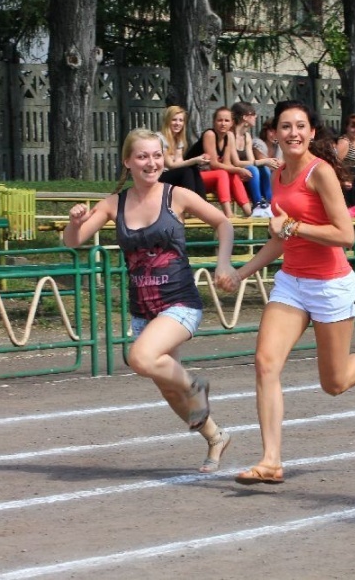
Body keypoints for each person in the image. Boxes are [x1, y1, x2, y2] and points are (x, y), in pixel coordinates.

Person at [221, 100, 355, 484]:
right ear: (274, 133)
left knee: (335, 383)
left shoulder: (321, 172)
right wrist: (242, 272)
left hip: (329, 285)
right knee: (265, 363)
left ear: (311, 132)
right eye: (284, 126)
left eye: (300, 126)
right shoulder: (278, 176)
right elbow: (278, 239)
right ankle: (271, 460)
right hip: (292, 283)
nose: (292, 133)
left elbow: (343, 235)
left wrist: (294, 227)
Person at [63, 128, 240, 474]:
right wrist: (74, 223)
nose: (151, 162)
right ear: (127, 161)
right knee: (171, 392)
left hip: (180, 303)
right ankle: (216, 436)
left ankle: (196, 384)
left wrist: (223, 261)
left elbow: (223, 223)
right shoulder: (114, 204)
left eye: (157, 155)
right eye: (142, 156)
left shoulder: (177, 196)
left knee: (141, 358)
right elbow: (75, 241)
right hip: (143, 309)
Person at [184, 106, 254, 218]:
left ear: (232, 123)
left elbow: (226, 164)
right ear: (213, 122)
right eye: (219, 120)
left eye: (227, 120)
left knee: (231, 173)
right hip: (193, 178)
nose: (223, 123)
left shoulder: (229, 136)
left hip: (209, 176)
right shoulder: (210, 134)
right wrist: (239, 169)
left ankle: (248, 211)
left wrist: (236, 171)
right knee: (222, 173)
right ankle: (228, 213)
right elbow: (214, 164)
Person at [231, 101, 279, 212]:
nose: (255, 116)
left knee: (263, 168)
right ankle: (257, 203)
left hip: (245, 170)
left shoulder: (247, 136)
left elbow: (251, 160)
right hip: (233, 169)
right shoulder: (231, 135)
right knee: (254, 168)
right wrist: (264, 161)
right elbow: (236, 162)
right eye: (253, 114)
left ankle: (270, 203)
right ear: (245, 117)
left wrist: (263, 163)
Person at [156, 105, 208, 199]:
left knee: (193, 169)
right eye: (174, 120)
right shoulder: (159, 138)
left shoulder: (178, 139)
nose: (178, 123)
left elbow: (179, 163)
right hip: (159, 176)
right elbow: (171, 165)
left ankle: (202, 204)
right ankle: (192, 203)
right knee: (187, 171)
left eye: (181, 120)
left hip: (173, 174)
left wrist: (197, 162)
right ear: (167, 120)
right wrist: (194, 160)